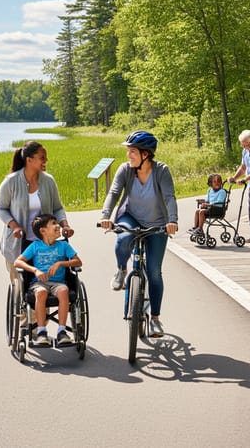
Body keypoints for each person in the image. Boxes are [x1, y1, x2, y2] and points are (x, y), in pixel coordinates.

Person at [98, 130, 178, 337]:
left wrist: (173, 221)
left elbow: (169, 197)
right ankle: (121, 270)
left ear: (146, 154)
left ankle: (155, 320)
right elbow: (114, 193)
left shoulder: (161, 171)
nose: (128, 155)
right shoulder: (125, 170)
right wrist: (105, 216)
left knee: (154, 272)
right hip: (130, 217)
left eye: (132, 151)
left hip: (158, 223)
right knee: (123, 239)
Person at [0, 141, 74, 282]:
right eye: (42, 157)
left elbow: (57, 208)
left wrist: (65, 225)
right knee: (20, 286)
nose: (46, 160)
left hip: (45, 246)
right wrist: (15, 226)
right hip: (18, 244)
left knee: (47, 287)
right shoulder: (11, 182)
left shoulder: (49, 181)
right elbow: (1, 209)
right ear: (29, 160)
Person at [13, 214, 81, 348]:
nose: (58, 226)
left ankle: (62, 332)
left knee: (64, 291)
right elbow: (17, 262)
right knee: (41, 293)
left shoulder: (63, 245)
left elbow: (78, 261)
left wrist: (61, 263)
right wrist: (34, 270)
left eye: (57, 223)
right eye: (54, 223)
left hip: (58, 283)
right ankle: (41, 332)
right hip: (39, 283)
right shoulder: (35, 246)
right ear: (43, 231)